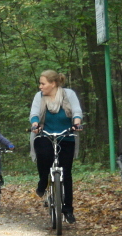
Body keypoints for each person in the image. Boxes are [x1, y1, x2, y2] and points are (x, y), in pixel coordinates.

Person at [28, 69, 83, 223]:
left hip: (66, 135)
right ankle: (43, 181)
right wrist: (35, 124)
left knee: (66, 173)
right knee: (44, 156)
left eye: (43, 83)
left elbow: (76, 110)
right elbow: (34, 114)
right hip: (45, 133)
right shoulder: (39, 97)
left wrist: (77, 123)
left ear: (53, 84)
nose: (40, 86)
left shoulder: (68, 94)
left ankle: (68, 209)